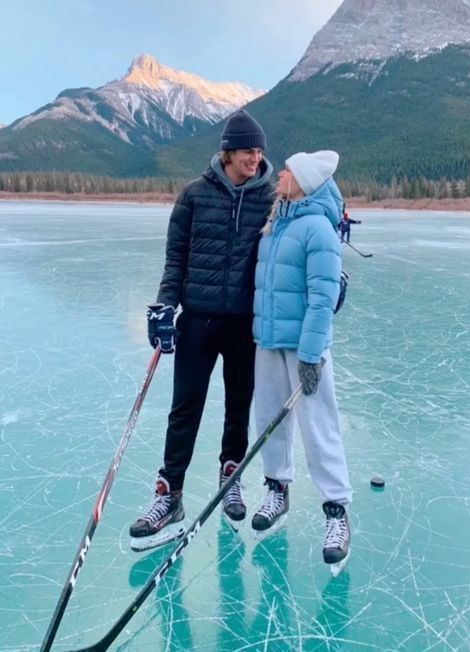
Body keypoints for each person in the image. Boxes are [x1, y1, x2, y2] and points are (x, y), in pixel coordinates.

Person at [129, 110, 274, 549]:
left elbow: (295, 245)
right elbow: (176, 260)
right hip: (197, 319)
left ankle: (231, 476)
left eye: (260, 150)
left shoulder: (271, 197)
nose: (256, 157)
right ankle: (169, 494)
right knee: (185, 407)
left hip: (245, 323)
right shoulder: (193, 195)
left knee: (238, 405)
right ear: (228, 152)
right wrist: (164, 308)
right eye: (249, 149)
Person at [251, 150, 352, 568]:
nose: (281, 174)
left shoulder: (317, 230)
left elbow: (323, 296)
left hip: (304, 348)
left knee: (318, 426)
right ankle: (277, 490)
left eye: (288, 171)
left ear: (304, 181)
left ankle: (337, 510)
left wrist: (311, 355)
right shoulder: (278, 223)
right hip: (269, 341)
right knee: (270, 419)